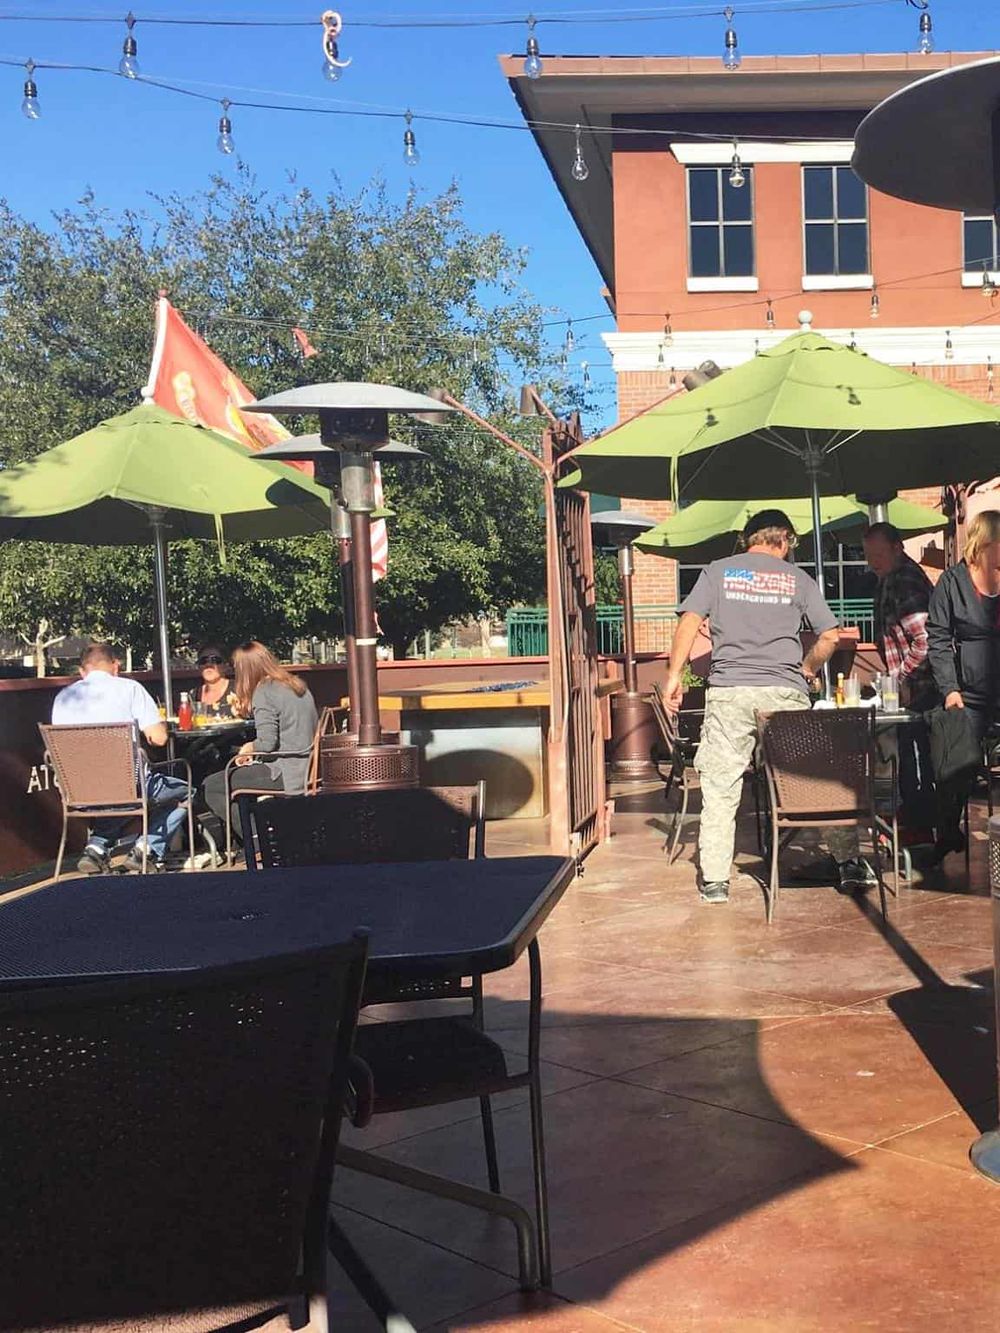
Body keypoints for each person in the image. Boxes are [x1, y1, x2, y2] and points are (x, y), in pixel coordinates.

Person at [664, 508, 875, 904]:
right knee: (815, 776)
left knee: (721, 783)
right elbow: (829, 636)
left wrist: (674, 675)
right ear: (785, 541)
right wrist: (807, 669)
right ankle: (847, 862)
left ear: (749, 539)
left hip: (729, 691)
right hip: (784, 691)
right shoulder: (799, 579)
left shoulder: (717, 571)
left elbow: (689, 622)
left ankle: (714, 881)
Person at [51, 641, 188, 874]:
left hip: (79, 790)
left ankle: (96, 848)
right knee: (185, 792)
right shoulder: (129, 689)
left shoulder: (63, 697)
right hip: (127, 787)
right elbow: (159, 738)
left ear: (83, 672)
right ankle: (147, 849)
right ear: (116, 666)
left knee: (116, 797)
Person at [927, 509, 1000, 861]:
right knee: (958, 766)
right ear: (986, 542)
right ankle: (947, 832)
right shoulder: (952, 582)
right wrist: (949, 688)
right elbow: (938, 638)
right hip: (967, 693)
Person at [862, 521, 937, 844]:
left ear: (897, 548)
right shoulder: (888, 579)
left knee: (916, 756)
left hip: (922, 688)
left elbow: (925, 639)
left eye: (878, 554)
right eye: (868, 555)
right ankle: (912, 820)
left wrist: (902, 677)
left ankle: (919, 826)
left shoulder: (905, 580)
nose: (872, 562)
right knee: (907, 752)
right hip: (909, 688)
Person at [201, 640, 318, 843]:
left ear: (246, 669)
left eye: (237, 668)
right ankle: (259, 836)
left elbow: (267, 743)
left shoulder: (264, 691)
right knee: (237, 778)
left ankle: (258, 840)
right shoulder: (296, 684)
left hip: (285, 772)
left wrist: (248, 747)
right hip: (309, 767)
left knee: (211, 786)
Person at [194, 644, 238, 717]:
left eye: (215, 660)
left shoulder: (238, 690)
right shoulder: (193, 696)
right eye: (203, 661)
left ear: (226, 665)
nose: (208, 664)